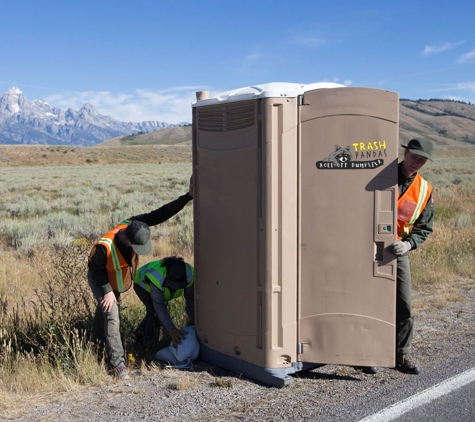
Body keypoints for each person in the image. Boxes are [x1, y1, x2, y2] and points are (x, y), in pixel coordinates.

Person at [87, 177, 193, 380]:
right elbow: (94, 269)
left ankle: (94, 345)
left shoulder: (134, 224)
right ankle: (118, 365)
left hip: (115, 277)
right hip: (101, 278)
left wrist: (187, 197)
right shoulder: (104, 247)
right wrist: (107, 291)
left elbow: (160, 214)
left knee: (102, 314)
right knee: (111, 315)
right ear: (127, 238)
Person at [388, 138, 434, 375]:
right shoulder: (380, 174)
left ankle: (401, 354)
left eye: (422, 160)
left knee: (404, 304)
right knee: (364, 299)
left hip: (398, 250)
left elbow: (424, 228)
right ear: (405, 153)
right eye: (414, 157)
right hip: (365, 248)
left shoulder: (425, 189)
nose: (417, 162)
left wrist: (408, 245)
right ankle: (364, 353)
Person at [133, 256, 194, 353]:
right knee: (154, 313)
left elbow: (190, 298)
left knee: (155, 314)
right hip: (142, 286)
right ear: (168, 276)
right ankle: (149, 345)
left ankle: (138, 334)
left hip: (158, 286)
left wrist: (192, 318)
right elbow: (160, 307)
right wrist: (172, 331)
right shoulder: (157, 278)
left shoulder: (190, 274)